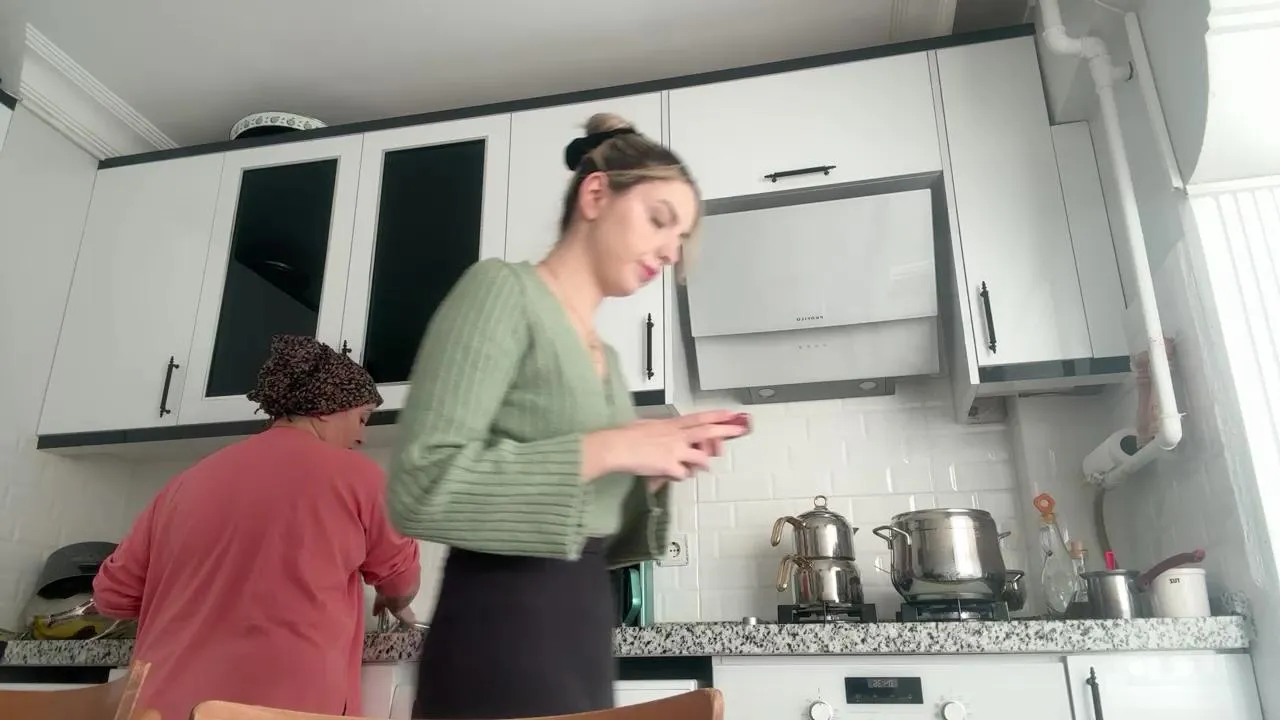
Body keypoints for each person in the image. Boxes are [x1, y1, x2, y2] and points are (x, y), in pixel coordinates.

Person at [387, 112, 749, 720]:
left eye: (681, 237)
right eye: (659, 220)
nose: (670, 251)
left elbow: (587, 529)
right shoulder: (502, 291)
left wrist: (647, 474)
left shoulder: (607, 358)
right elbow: (419, 488)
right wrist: (613, 448)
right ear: (596, 194)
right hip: (501, 631)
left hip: (580, 628)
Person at [93, 334, 421, 720]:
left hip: (159, 707)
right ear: (326, 409)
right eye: (362, 418)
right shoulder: (359, 478)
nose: (363, 436)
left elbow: (112, 597)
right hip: (284, 709)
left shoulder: (183, 484)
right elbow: (402, 581)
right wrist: (395, 600)